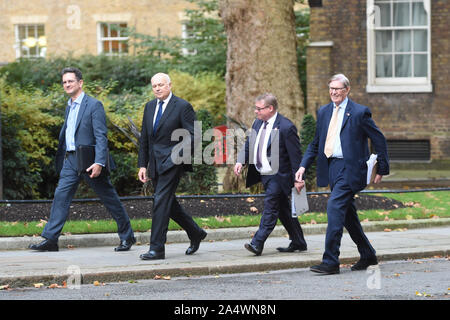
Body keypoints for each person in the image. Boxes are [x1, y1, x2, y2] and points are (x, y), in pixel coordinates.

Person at [29, 67, 136, 252]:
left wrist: (100, 162)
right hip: (70, 161)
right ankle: (51, 239)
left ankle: (127, 237)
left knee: (109, 198)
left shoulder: (94, 105)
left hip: (90, 161)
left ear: (80, 83)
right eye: (64, 82)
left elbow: (101, 136)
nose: (67, 84)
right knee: (60, 197)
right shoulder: (69, 107)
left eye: (70, 81)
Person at [295, 74, 389, 275]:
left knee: (334, 208)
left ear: (347, 90)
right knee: (347, 216)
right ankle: (368, 255)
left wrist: (382, 167)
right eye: (331, 89)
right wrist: (303, 166)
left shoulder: (359, 112)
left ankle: (330, 261)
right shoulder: (324, 111)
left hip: (351, 169)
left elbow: (379, 139)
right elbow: (316, 143)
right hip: (332, 168)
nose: (334, 92)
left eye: (337, 89)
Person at [137, 73, 207, 260]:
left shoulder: (182, 106)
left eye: (161, 85)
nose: (157, 88)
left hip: (173, 162)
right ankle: (196, 232)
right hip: (155, 164)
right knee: (169, 203)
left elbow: (194, 135)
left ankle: (157, 248)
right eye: (154, 86)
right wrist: (142, 165)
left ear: (170, 85)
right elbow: (145, 138)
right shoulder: (150, 107)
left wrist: (176, 157)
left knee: (160, 201)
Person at [234, 93, 307, 256]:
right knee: (283, 210)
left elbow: (296, 157)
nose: (255, 111)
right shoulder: (258, 123)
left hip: (280, 176)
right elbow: (249, 144)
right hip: (264, 174)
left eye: (259, 109)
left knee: (271, 207)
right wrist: (240, 161)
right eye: (256, 108)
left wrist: (299, 179)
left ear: (270, 108)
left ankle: (257, 243)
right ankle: (299, 241)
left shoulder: (286, 127)